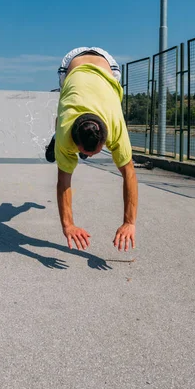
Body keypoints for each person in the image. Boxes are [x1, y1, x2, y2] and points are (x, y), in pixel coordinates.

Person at [45, 47, 138, 253]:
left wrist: (129, 222)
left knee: (64, 113)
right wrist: (68, 225)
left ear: (107, 138)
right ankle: (54, 136)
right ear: (73, 139)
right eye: (85, 153)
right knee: (62, 117)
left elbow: (129, 173)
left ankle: (59, 139)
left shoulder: (116, 127)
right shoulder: (65, 134)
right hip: (70, 64)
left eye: (91, 153)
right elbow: (63, 181)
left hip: (108, 65)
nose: (88, 156)